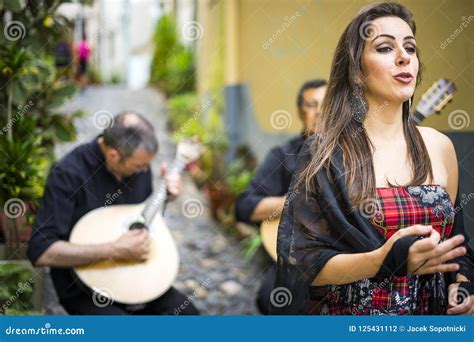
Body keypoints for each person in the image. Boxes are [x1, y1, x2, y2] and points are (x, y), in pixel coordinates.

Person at [272, 2, 474, 315]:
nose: (404, 56)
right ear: (356, 72)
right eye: (384, 48)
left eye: (410, 47)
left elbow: (458, 246)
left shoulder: (439, 147)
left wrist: (461, 285)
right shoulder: (326, 153)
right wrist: (383, 261)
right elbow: (304, 261)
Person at [27, 112, 199, 315]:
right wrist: (113, 250)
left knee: (188, 315)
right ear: (113, 154)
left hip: (137, 279)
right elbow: (40, 251)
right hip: (85, 288)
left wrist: (164, 197)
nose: (145, 170)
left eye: (146, 164)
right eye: (139, 166)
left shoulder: (138, 163)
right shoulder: (67, 175)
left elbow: (141, 221)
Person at [235, 79, 327, 314]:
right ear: (300, 111)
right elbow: (245, 207)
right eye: (312, 105)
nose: (320, 112)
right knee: (271, 297)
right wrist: (296, 202)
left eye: (327, 105)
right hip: (297, 258)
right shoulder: (283, 155)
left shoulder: (352, 154)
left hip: (345, 255)